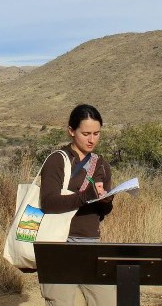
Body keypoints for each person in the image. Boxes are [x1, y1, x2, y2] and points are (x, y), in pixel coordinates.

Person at [39, 104, 116, 306]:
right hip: (57, 245)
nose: (92, 139)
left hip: (91, 245)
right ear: (71, 131)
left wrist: (106, 201)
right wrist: (86, 196)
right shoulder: (57, 160)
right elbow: (48, 203)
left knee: (109, 301)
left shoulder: (101, 164)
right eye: (86, 133)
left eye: (97, 133)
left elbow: (102, 212)